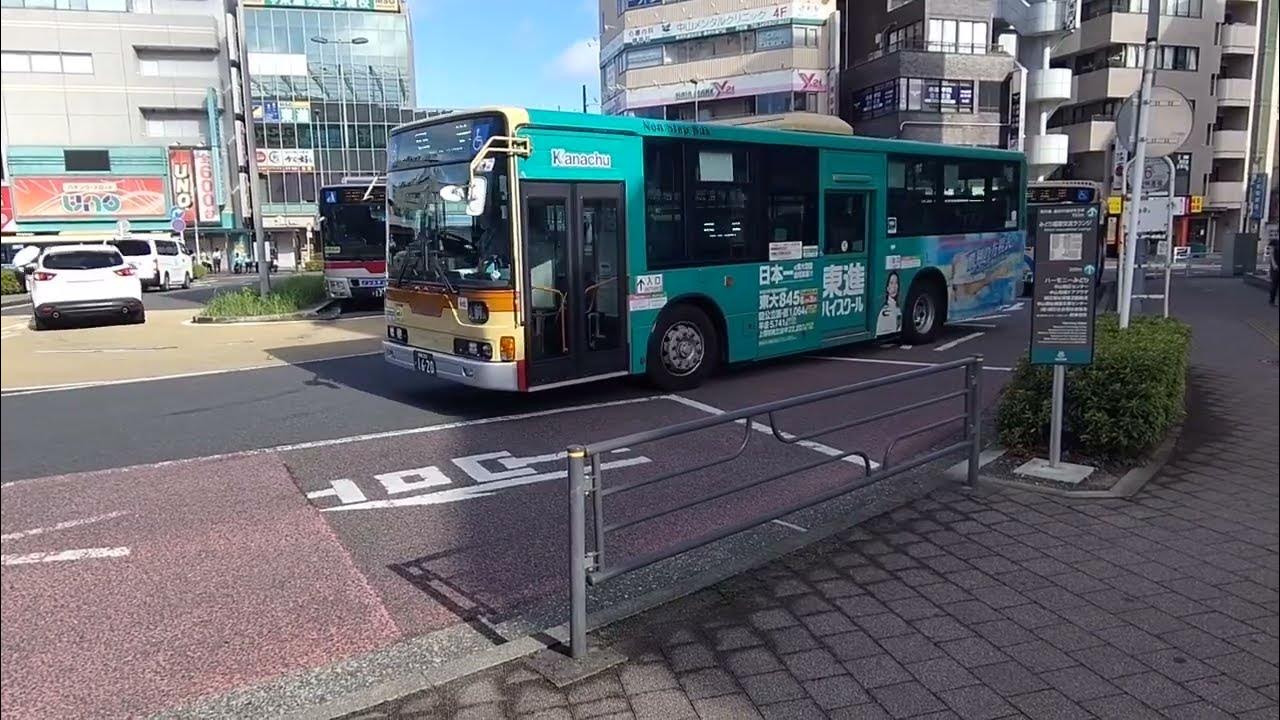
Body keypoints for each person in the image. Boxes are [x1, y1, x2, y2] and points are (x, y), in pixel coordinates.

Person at [876, 270, 903, 336]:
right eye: (891, 283)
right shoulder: (885, 311)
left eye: (896, 283)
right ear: (887, 288)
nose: (894, 286)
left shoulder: (897, 308)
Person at [1268, 234, 1278, 306]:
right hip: (1276, 266)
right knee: (1274, 284)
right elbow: (1271, 254)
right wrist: (1274, 264)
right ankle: (1272, 301)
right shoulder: (1274, 241)